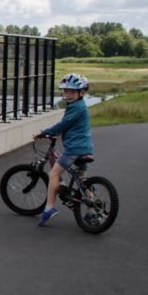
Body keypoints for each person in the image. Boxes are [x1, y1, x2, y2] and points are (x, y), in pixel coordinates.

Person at [34, 73, 94, 226]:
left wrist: (45, 132)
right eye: (66, 91)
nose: (68, 94)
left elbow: (64, 124)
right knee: (83, 180)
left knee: (53, 174)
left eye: (72, 91)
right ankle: (92, 210)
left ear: (81, 92)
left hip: (74, 149)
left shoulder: (76, 107)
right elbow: (71, 126)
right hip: (85, 148)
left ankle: (49, 208)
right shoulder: (81, 106)